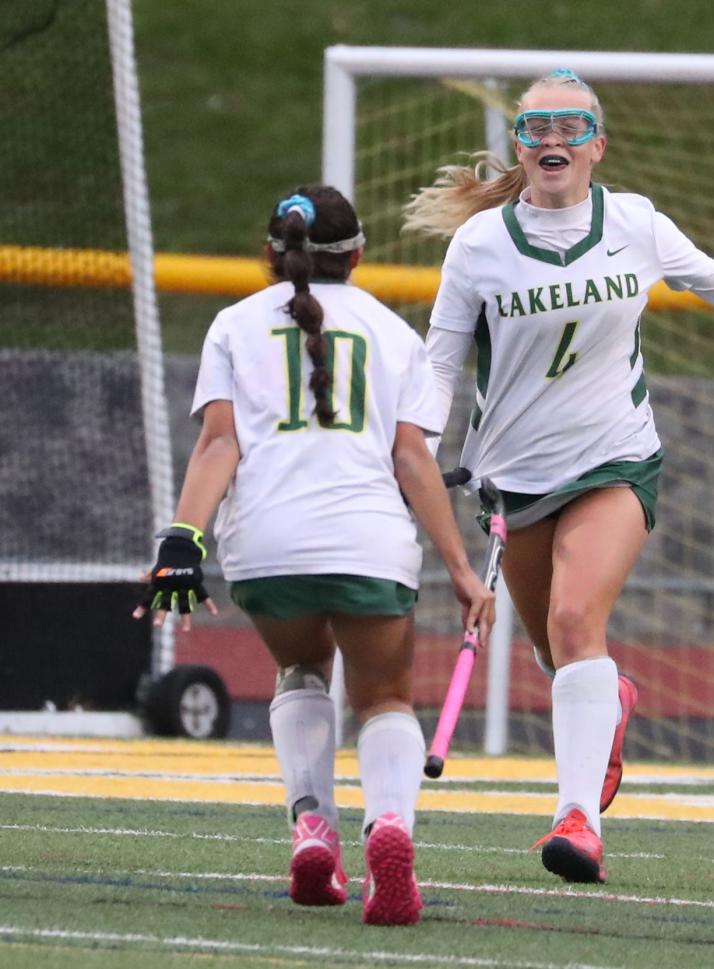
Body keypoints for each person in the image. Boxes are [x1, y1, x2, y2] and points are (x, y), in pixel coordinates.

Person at [404, 68, 714, 885]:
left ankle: (577, 820)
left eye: (572, 126)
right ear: (520, 148)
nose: (554, 140)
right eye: (536, 128)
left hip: (615, 458)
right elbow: (437, 367)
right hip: (517, 477)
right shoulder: (480, 245)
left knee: (575, 619)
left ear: (599, 144)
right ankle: (611, 702)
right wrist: (411, 450)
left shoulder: (635, 223)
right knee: (560, 653)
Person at [134, 184, 496, 926]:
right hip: (368, 543)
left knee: (300, 670)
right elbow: (413, 462)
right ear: (359, 255)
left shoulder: (233, 325)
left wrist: (182, 538)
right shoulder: (396, 335)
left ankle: (313, 829)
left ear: (271, 254)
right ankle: (389, 828)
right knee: (386, 698)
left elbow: (219, 443)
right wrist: (462, 569)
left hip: (265, 546)